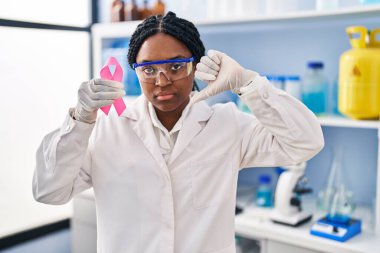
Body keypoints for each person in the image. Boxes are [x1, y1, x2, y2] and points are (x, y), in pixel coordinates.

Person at [33, 12, 324, 253]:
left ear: (196, 67)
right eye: (148, 69)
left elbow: (306, 142)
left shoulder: (227, 125)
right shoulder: (107, 129)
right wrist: (80, 119)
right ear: (135, 71)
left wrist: (247, 83)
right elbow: (49, 191)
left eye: (175, 66)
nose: (162, 81)